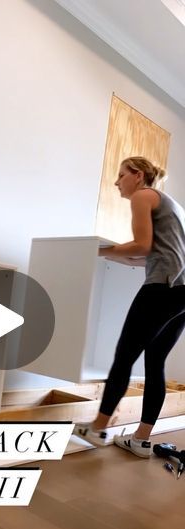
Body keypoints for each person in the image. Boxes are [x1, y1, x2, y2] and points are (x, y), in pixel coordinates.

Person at [74, 156, 185, 458]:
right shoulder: (172, 204)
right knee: (155, 361)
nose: (116, 182)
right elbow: (147, 255)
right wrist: (111, 255)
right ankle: (141, 440)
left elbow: (142, 246)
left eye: (121, 175)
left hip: (163, 288)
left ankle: (96, 428)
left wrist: (101, 249)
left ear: (137, 175)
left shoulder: (143, 195)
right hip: (181, 292)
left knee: (124, 357)